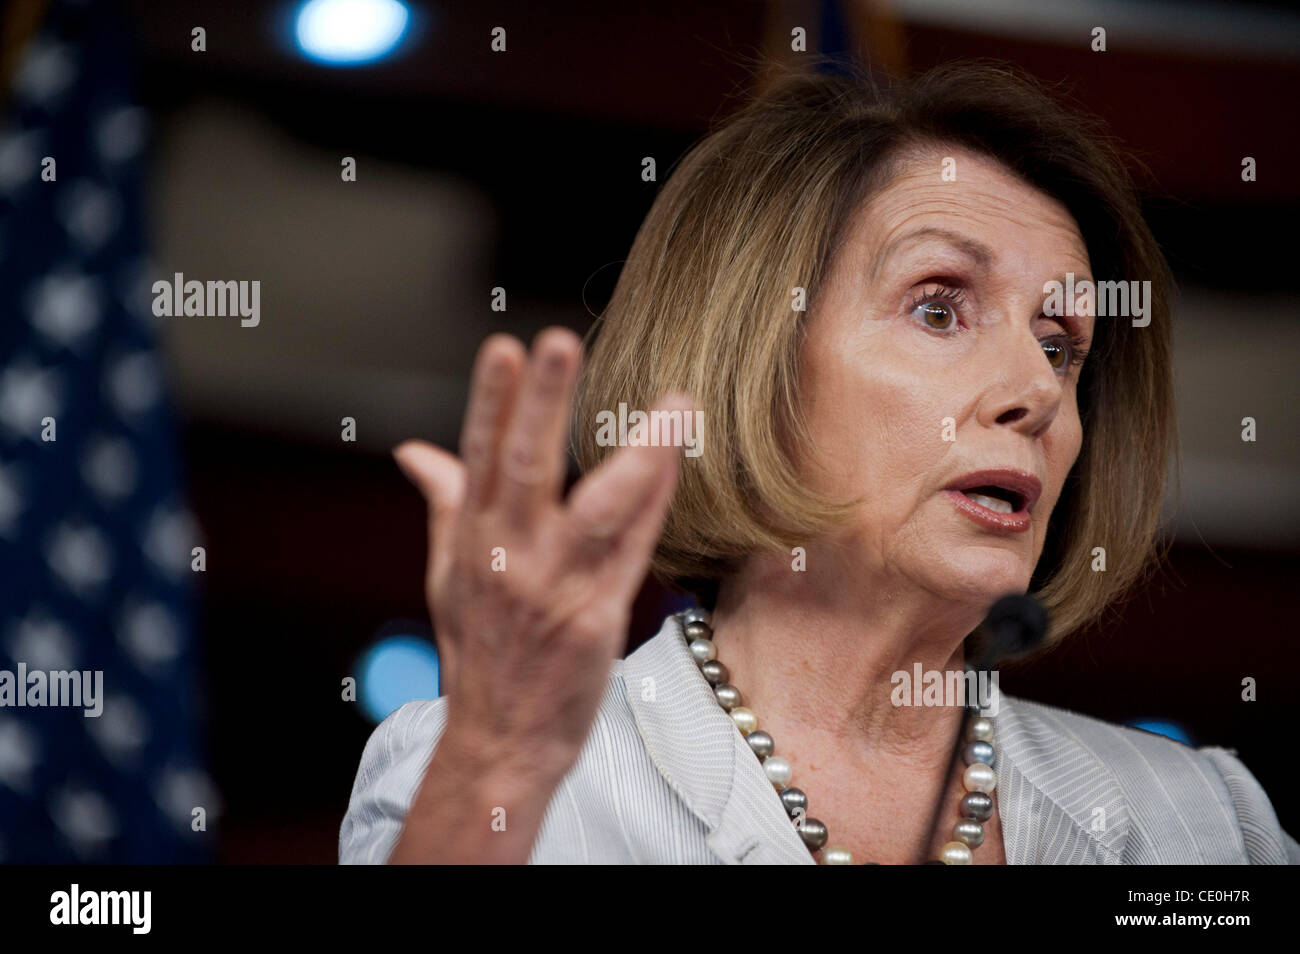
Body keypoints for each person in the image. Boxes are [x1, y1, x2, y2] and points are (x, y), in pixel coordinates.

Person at [339, 60, 1298, 864]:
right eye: (939, 308)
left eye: (1059, 346)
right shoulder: (490, 776)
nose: (1036, 392)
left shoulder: (1205, 824)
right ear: (752, 361)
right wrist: (495, 772)